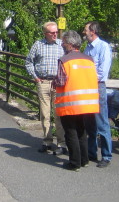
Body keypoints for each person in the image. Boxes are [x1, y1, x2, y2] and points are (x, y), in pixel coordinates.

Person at [53, 30, 100, 171]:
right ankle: (84, 159)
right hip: (87, 102)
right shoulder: (89, 59)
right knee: (81, 131)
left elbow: (60, 82)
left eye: (64, 42)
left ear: (70, 44)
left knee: (70, 132)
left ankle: (74, 163)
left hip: (69, 102)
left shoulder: (64, 60)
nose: (62, 44)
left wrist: (53, 82)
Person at [25, 21, 67, 155]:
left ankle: (61, 143)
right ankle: (47, 141)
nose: (55, 34)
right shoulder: (38, 45)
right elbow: (29, 62)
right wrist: (36, 77)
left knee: (59, 114)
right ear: (45, 33)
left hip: (58, 83)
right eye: (52, 32)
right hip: (43, 82)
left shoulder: (62, 45)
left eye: (56, 32)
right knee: (45, 114)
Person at [83, 21, 113, 168]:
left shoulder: (103, 47)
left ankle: (106, 156)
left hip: (97, 87)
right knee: (89, 123)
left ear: (92, 31)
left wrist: (89, 79)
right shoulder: (87, 48)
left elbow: (103, 70)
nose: (84, 32)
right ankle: (91, 152)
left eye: (86, 30)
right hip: (87, 88)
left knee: (101, 122)